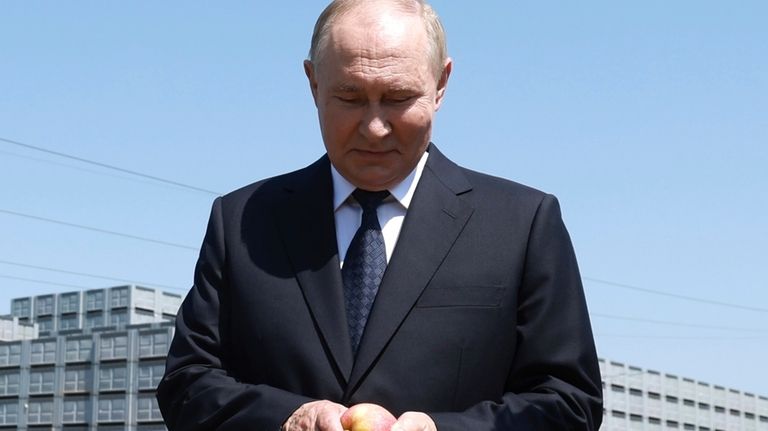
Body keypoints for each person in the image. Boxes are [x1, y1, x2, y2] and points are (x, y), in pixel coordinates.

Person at [156, 0, 603, 430]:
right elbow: (186, 385)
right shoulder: (242, 222)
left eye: (398, 97)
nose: (374, 127)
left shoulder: (521, 225)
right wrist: (288, 420)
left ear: (441, 84)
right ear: (313, 84)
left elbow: (569, 402)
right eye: (350, 98)